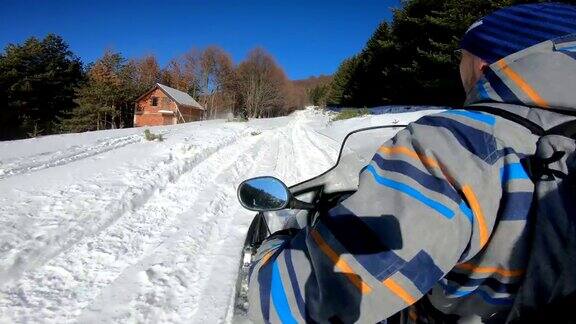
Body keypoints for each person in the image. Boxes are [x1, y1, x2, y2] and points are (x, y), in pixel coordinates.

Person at [248, 3, 576, 323]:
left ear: (484, 65)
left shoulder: (457, 144)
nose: (460, 76)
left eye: (462, 60)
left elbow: (298, 302)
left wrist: (276, 242)